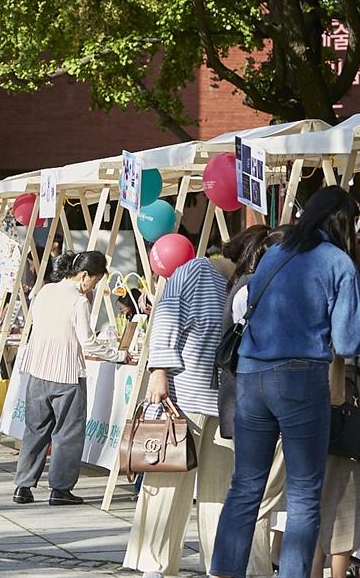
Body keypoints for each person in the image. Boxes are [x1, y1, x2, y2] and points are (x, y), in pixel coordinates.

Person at [210, 186, 360, 578]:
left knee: (245, 487)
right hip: (300, 379)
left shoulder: (275, 254)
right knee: (302, 496)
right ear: (341, 222)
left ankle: (224, 572)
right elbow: (347, 341)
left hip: (250, 375)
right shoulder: (339, 263)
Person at [122, 234, 237, 578]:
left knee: (220, 489)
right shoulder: (195, 271)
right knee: (169, 479)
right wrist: (158, 371)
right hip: (183, 396)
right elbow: (165, 318)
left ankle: (219, 565)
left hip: (223, 400)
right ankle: (154, 564)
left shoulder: (241, 284)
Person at [12, 250, 126, 506]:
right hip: (66, 373)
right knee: (67, 434)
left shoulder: (45, 291)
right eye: (94, 281)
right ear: (84, 275)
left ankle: (23, 486)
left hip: (38, 368)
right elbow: (87, 341)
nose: (93, 287)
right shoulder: (78, 301)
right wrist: (117, 354)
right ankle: (60, 489)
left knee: (35, 430)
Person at [311, 244, 360, 578]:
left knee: (313, 502)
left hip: (311, 410)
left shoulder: (322, 297)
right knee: (344, 502)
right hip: (343, 413)